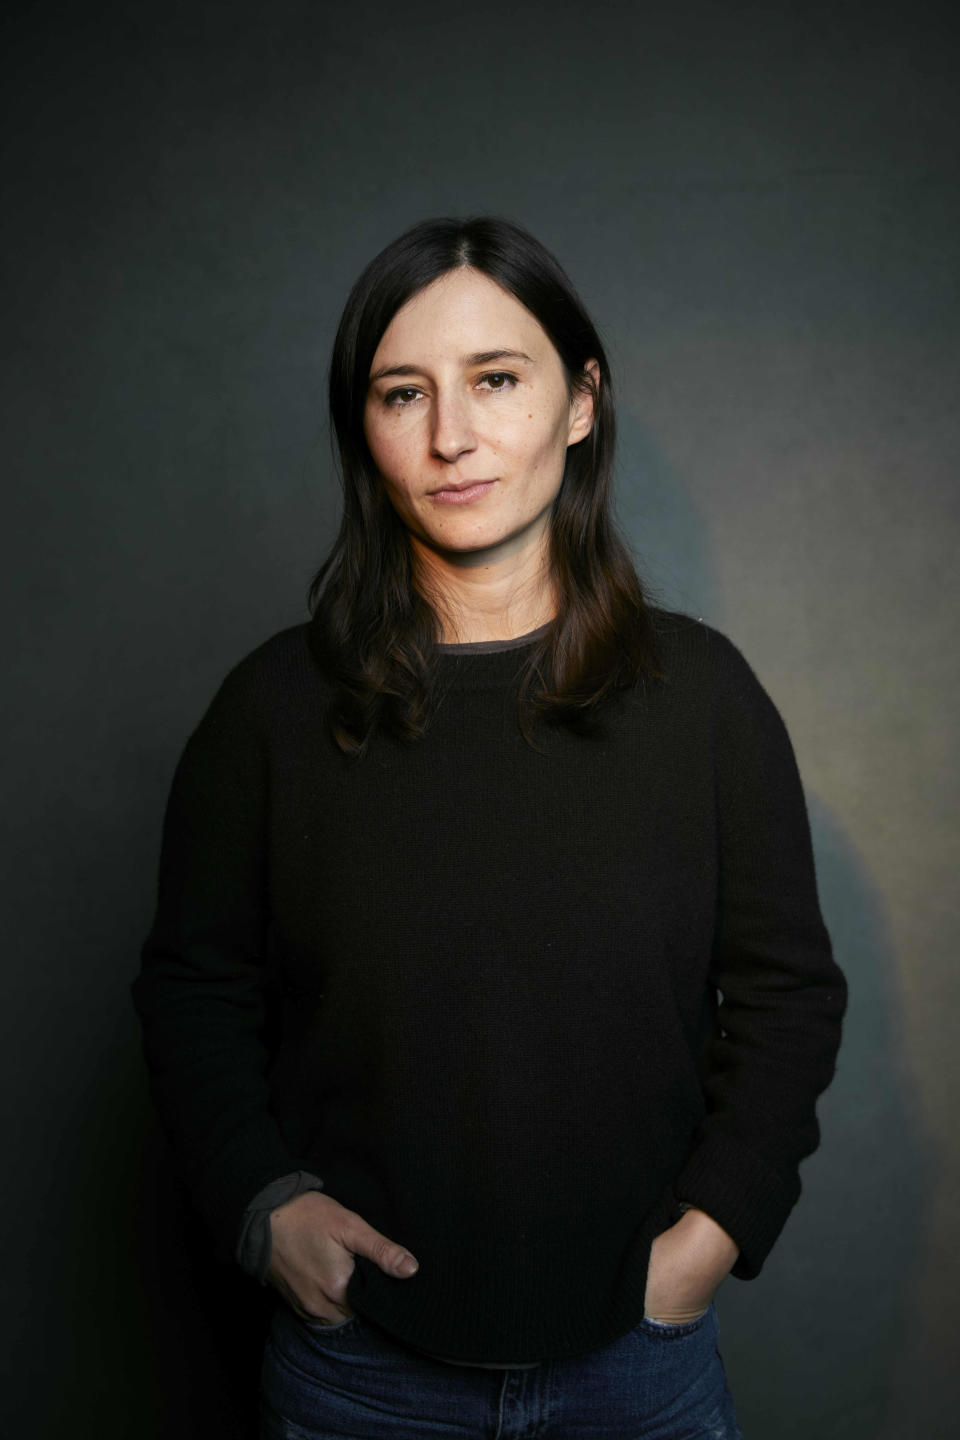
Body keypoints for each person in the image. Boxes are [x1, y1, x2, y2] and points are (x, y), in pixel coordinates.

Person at [132, 214, 847, 1439]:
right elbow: (195, 988)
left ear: (579, 402)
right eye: (403, 392)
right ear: (365, 430)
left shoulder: (704, 698)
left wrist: (709, 1240)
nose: (452, 436)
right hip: (359, 1376)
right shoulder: (271, 710)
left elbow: (788, 996)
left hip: (640, 1365)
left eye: (497, 381)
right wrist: (265, 1205)